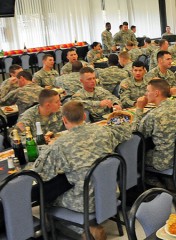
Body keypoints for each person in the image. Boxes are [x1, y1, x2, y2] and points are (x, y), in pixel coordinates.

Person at [33, 100, 131, 239]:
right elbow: (126, 131)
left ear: (64, 120)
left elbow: (40, 173)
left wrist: (48, 148)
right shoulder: (104, 131)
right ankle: (87, 227)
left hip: (83, 201)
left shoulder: (61, 144)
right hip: (110, 192)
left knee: (45, 196)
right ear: (84, 116)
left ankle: (81, 229)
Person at [132, 79, 176, 171]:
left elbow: (136, 135)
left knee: (133, 156)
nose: (146, 94)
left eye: (148, 91)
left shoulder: (154, 115)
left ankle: (150, 181)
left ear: (156, 93)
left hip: (165, 160)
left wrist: (139, 109)